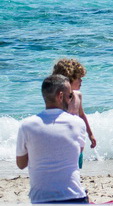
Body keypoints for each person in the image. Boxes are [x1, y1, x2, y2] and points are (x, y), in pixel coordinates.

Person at [15, 75, 89, 204]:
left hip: (41, 199)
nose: (71, 100)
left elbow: (21, 164)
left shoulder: (27, 125)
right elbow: (76, 154)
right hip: (73, 196)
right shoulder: (77, 123)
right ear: (60, 96)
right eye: (70, 95)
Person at [51, 58, 97, 150]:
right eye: (79, 78)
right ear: (68, 80)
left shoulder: (78, 96)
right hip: (63, 145)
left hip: (78, 143)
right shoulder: (58, 100)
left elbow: (82, 115)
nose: (81, 81)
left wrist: (90, 134)